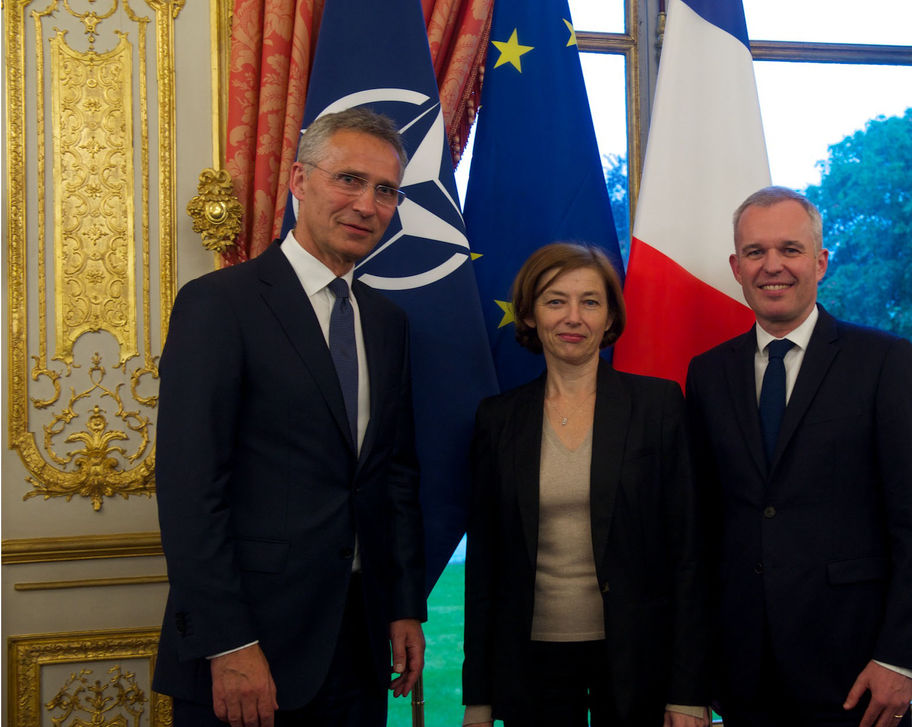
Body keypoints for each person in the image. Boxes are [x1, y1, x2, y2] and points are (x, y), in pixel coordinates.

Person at [154, 107, 427, 727]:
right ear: (300, 181)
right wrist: (228, 644)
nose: (367, 204)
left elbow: (394, 478)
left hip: (358, 646)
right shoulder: (219, 305)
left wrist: (403, 606)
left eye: (386, 190)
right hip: (250, 653)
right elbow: (190, 491)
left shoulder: (388, 325)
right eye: (349, 180)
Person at [684, 186, 912, 727]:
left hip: (857, 669)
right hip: (742, 671)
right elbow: (702, 527)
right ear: (736, 266)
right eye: (755, 252)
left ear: (820, 262)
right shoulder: (708, 373)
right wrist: (698, 665)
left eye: (790, 249)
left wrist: (900, 657)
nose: (772, 266)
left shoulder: (884, 362)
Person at [462, 243, 708, 727]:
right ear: (530, 315)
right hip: (532, 668)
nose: (573, 317)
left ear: (610, 317)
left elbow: (689, 557)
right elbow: (485, 568)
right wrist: (479, 697)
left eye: (590, 302)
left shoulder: (658, 407)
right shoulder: (498, 420)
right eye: (556, 301)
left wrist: (687, 691)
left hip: (638, 664)